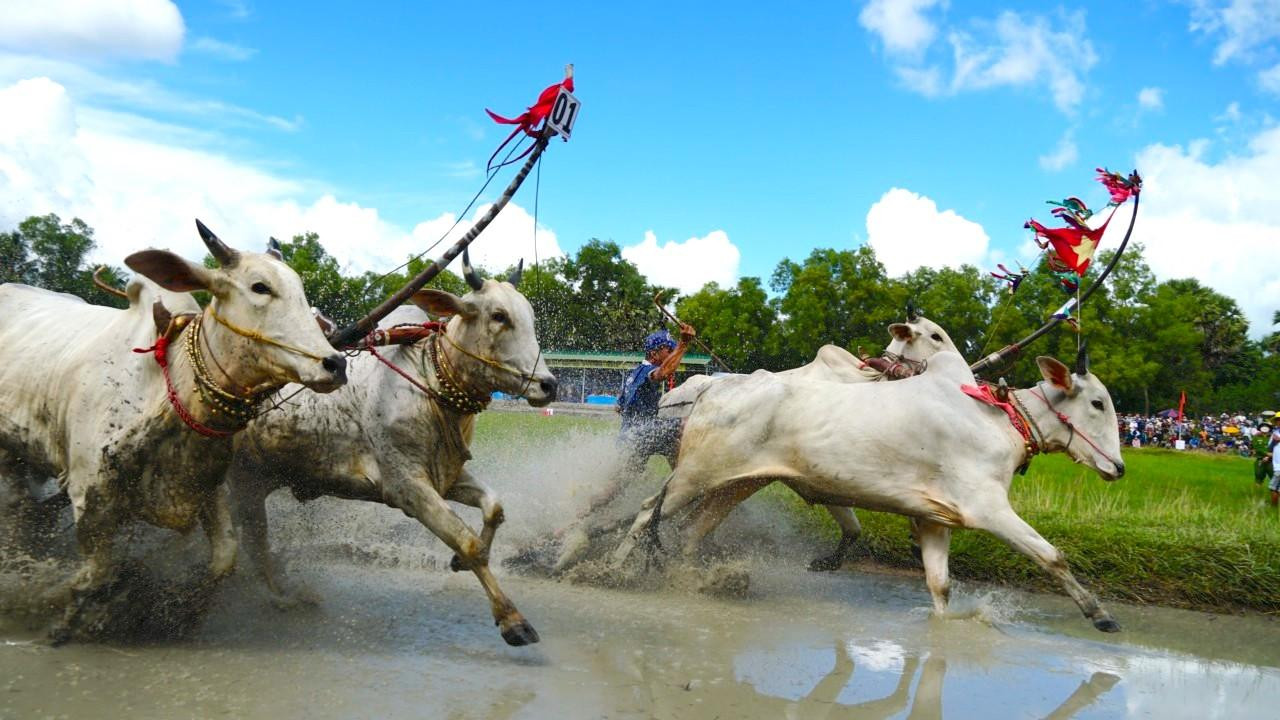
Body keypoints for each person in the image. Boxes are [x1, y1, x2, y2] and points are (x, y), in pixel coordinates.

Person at [548, 322, 695, 573]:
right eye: (667, 350)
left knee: (610, 491)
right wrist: (683, 344)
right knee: (686, 424)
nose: (671, 355)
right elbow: (663, 374)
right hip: (642, 435)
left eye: (672, 350)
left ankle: (564, 527)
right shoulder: (648, 370)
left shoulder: (633, 373)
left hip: (630, 439)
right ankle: (687, 479)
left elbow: (620, 406)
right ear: (655, 353)